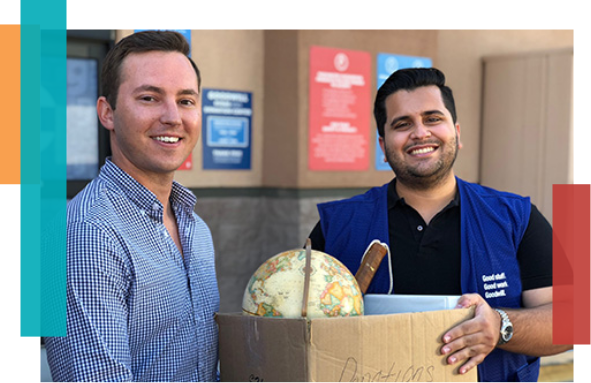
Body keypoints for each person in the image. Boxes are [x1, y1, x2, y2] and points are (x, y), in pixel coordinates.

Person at [308, 67, 571, 382]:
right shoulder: (336, 227)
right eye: (402, 124)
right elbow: (297, 326)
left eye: (433, 118)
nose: (420, 133)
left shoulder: (517, 217)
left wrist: (500, 326)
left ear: (457, 132)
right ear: (383, 145)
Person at [45, 31, 219, 382]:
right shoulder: (87, 233)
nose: (173, 117)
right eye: (150, 98)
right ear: (107, 113)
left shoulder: (194, 227)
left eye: (186, 101)